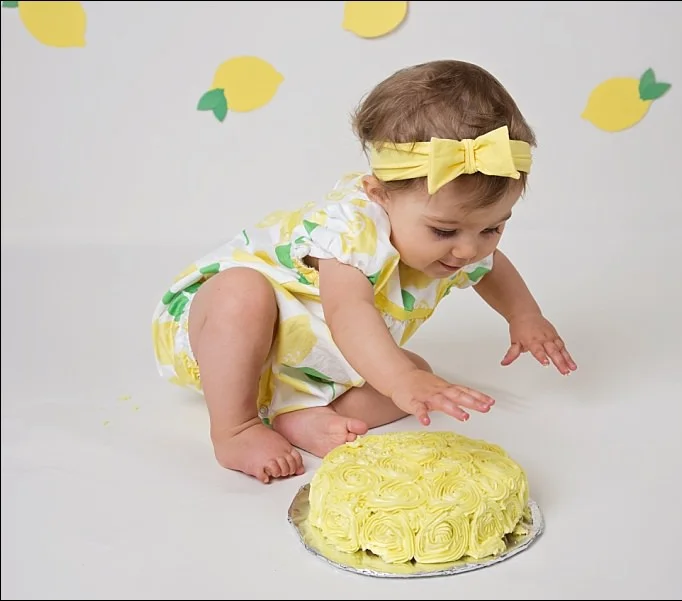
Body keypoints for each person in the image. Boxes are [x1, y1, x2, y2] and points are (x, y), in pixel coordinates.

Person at [151, 59, 578, 484]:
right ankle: (236, 426)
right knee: (241, 294)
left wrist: (524, 316)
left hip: (311, 359)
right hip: (227, 341)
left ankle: (298, 414)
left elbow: (492, 268)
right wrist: (401, 379)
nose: (469, 249)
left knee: (416, 378)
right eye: (444, 230)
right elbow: (349, 313)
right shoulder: (350, 228)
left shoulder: (466, 243)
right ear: (381, 195)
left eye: (493, 227)